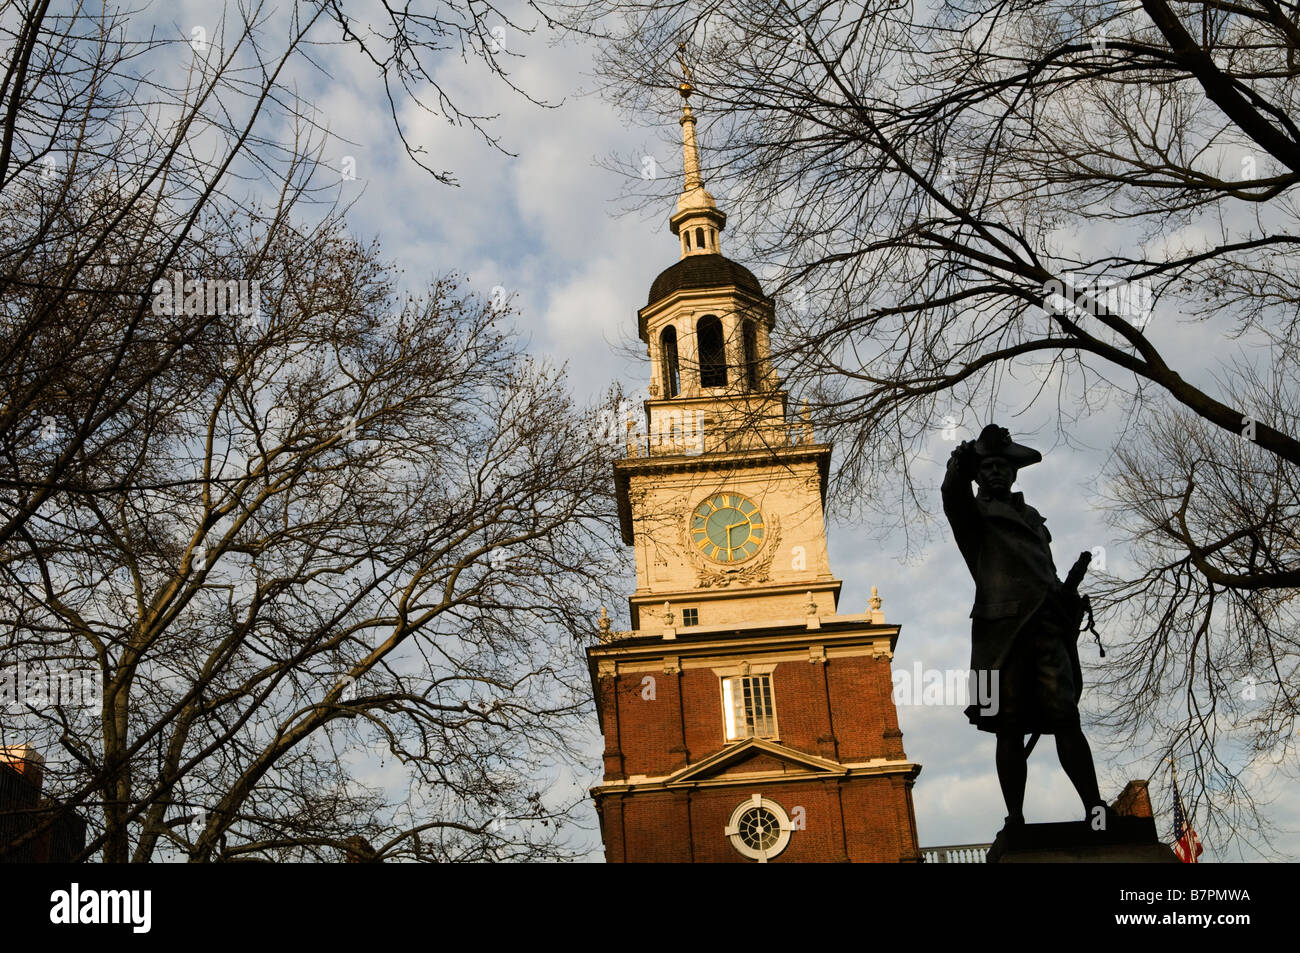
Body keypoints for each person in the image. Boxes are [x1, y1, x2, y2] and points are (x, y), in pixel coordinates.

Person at [941, 423, 1106, 831]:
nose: (996, 472)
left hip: (1047, 626)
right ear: (978, 475)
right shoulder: (973, 516)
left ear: (1014, 473)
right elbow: (951, 495)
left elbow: (1041, 572)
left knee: (1066, 717)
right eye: (988, 466)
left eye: (1003, 466)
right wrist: (960, 462)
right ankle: (1014, 818)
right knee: (1007, 726)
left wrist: (1064, 599)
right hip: (999, 635)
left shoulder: (1033, 518)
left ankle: (1097, 811)